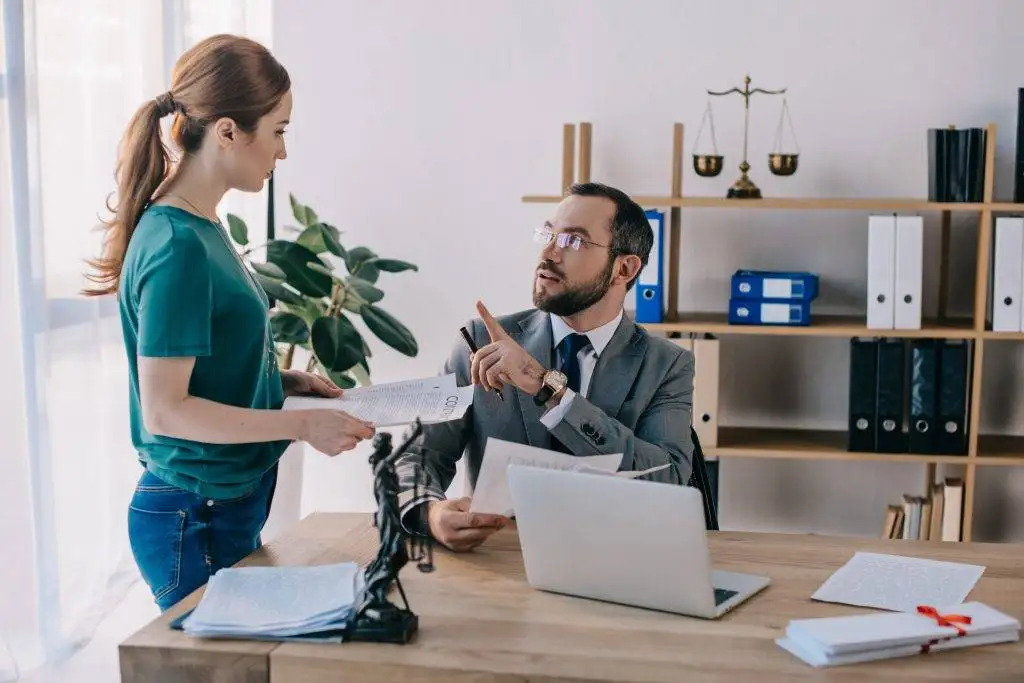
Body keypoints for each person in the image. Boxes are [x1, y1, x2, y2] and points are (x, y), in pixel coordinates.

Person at [83, 34, 375, 611]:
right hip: (195, 514)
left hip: (220, 504)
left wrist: (280, 384)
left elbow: (200, 367)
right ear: (226, 132)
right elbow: (167, 409)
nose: (283, 152)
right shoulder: (177, 244)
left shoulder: (201, 225)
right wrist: (303, 426)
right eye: (279, 131)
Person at [395, 182, 695, 552]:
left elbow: (669, 480)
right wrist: (431, 514)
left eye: (573, 241)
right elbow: (416, 455)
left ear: (624, 268)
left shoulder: (667, 365)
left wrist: (548, 387)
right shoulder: (481, 341)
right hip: (499, 564)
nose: (548, 252)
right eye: (548, 234)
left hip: (618, 560)